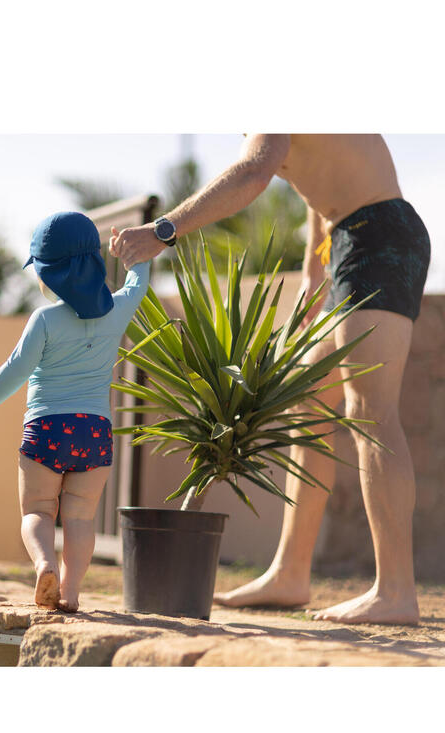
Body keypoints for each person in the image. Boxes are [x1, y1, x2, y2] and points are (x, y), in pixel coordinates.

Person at [110, 134, 430, 624]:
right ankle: (290, 574)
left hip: (378, 236)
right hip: (349, 241)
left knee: (371, 410)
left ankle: (395, 592)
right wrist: (312, 272)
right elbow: (316, 192)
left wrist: (164, 229)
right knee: (309, 399)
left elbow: (253, 174)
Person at [0, 211, 150, 613]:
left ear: (49, 275)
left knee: (37, 510)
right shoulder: (117, 310)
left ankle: (44, 563)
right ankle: (70, 592)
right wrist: (135, 255)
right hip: (95, 433)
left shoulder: (45, 319)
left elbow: (16, 368)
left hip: (46, 430)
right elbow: (139, 283)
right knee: (81, 518)